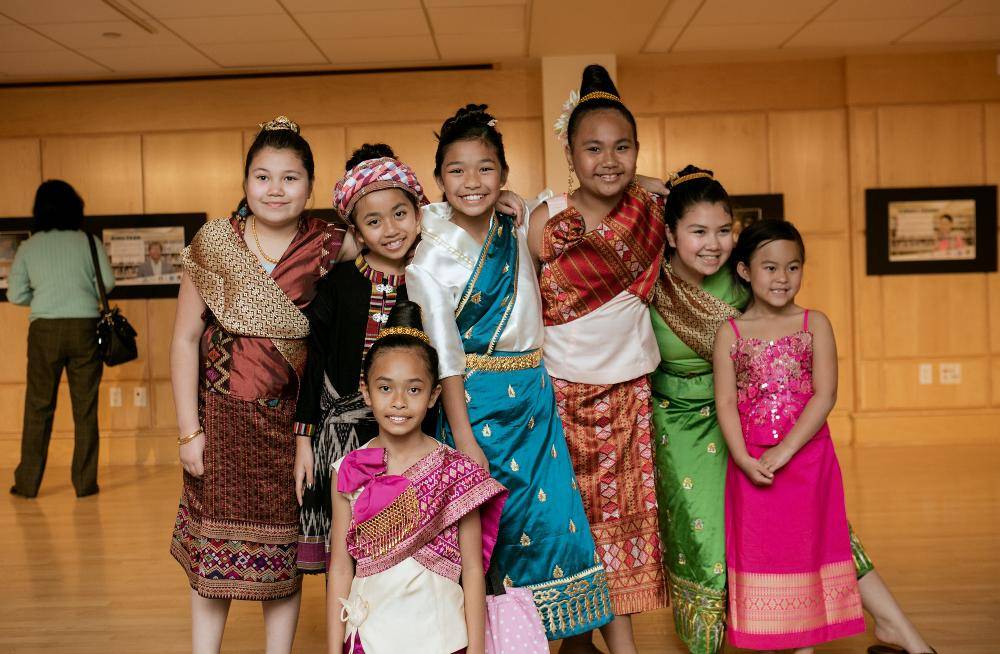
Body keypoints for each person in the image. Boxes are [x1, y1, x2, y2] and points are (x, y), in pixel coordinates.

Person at [650, 166, 936, 654]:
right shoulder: (647, 282)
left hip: (760, 425)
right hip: (681, 428)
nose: (713, 244)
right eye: (698, 232)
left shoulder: (750, 280)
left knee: (815, 528)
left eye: (724, 231)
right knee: (704, 545)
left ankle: (897, 630)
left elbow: (792, 350)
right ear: (671, 234)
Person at [406, 103, 613, 642]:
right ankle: (494, 642)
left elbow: (587, 196)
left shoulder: (514, 223)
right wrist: (466, 439)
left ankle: (555, 638)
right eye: (456, 170)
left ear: (504, 174)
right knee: (489, 536)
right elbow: (446, 360)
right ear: (438, 181)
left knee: (554, 525)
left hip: (535, 399)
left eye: (485, 169)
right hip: (476, 406)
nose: (471, 182)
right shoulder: (428, 259)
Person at [169, 115, 356, 654]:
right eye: (263, 176)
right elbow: (184, 341)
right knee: (212, 551)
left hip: (295, 427)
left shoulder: (329, 244)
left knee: (284, 557)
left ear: (311, 186)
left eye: (290, 177)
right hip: (220, 421)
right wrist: (188, 433)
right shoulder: (214, 243)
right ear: (246, 181)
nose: (276, 189)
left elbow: (397, 230)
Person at [527, 65, 667, 653]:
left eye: (622, 147)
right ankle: (575, 639)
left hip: (631, 395)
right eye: (593, 148)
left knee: (621, 527)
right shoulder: (543, 218)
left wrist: (659, 185)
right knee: (568, 525)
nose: (608, 160)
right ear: (570, 151)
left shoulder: (653, 211)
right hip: (559, 395)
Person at [713, 218, 865, 651]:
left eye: (793, 267)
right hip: (751, 462)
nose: (783, 278)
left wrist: (786, 451)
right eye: (771, 267)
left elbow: (825, 393)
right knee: (762, 549)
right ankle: (770, 636)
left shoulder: (814, 323)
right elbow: (725, 402)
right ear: (744, 271)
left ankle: (806, 643)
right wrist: (743, 458)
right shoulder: (732, 331)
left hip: (807, 461)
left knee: (806, 546)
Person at [327, 301, 507, 654]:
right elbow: (340, 568)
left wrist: (476, 650)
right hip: (370, 640)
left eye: (413, 389)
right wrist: (335, 650)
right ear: (365, 391)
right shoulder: (346, 469)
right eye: (385, 388)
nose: (398, 402)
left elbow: (472, 570)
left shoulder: (457, 472)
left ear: (433, 396)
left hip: (441, 639)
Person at [292, 143, 427, 573]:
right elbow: (313, 362)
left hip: (418, 435)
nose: (389, 229)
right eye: (373, 221)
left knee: (413, 551)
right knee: (348, 559)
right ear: (356, 231)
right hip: (344, 441)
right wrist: (303, 439)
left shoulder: (431, 277)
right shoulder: (338, 283)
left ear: (419, 214)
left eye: (400, 214)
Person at [8, 179, 113, 499]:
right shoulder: (88, 241)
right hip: (84, 327)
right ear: (75, 207)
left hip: (44, 331)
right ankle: (84, 484)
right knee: (85, 408)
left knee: (38, 406)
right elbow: (106, 285)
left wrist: (45, 301)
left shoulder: (29, 246)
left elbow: (15, 294)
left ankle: (27, 484)